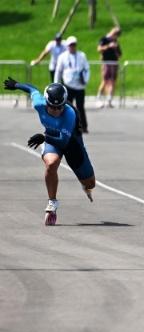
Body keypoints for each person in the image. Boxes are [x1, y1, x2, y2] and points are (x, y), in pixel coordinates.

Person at [3, 77, 95, 226]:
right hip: (52, 140)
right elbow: (32, 89)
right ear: (46, 103)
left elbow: (63, 141)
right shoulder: (39, 104)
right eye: (53, 107)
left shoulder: (69, 114)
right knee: (51, 164)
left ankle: (85, 186)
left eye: (60, 107)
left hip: (71, 144)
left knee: (91, 184)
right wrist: (17, 85)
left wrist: (44, 137)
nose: (57, 111)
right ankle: (52, 202)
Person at [54, 36, 90, 133]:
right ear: (67, 46)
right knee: (67, 107)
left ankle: (83, 126)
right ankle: (66, 126)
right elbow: (58, 71)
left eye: (74, 45)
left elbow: (87, 69)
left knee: (80, 107)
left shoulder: (82, 56)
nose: (72, 47)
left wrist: (85, 80)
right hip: (68, 85)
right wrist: (56, 84)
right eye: (70, 45)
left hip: (80, 86)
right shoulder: (62, 57)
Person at [96, 26, 122, 108]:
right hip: (106, 62)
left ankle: (109, 100)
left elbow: (119, 55)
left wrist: (115, 48)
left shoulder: (116, 41)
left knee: (113, 81)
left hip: (114, 63)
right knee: (105, 80)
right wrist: (108, 46)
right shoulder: (104, 39)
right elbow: (99, 49)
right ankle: (99, 98)